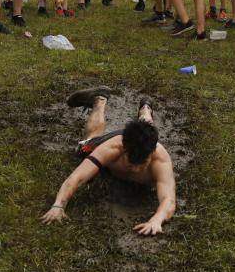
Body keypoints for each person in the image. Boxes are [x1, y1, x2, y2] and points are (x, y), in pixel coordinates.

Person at [40, 87, 176, 236]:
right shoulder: (111, 149)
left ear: (151, 153)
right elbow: (77, 177)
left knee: (145, 131)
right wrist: (58, 205)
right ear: (124, 149)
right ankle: (99, 100)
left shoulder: (160, 159)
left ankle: (146, 110)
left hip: (141, 140)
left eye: (142, 163)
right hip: (116, 144)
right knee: (86, 144)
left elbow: (168, 199)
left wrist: (157, 219)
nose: (136, 169)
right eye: (131, 163)